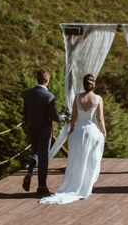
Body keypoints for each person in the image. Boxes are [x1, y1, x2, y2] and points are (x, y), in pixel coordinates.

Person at [40, 73, 106, 204]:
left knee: (77, 160)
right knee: (90, 160)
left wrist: (71, 130)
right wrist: (104, 131)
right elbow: (100, 118)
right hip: (92, 133)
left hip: (78, 132)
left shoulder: (77, 97)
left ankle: (75, 185)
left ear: (83, 84)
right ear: (93, 85)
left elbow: (74, 117)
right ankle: (87, 186)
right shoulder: (98, 99)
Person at [22, 68, 64, 196]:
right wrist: (61, 118)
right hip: (44, 130)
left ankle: (29, 172)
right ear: (47, 80)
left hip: (31, 128)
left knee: (34, 152)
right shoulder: (49, 96)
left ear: (37, 79)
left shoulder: (27, 93)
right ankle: (41, 186)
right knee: (44, 157)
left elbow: (25, 113)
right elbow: (52, 116)